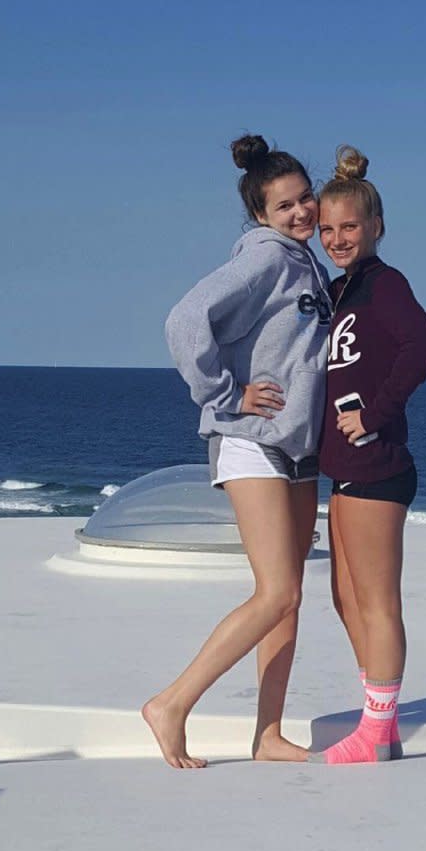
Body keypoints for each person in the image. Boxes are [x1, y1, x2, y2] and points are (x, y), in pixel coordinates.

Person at [142, 135, 331, 768]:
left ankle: (267, 734)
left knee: (289, 597)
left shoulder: (308, 265)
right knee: (276, 592)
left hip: (297, 450)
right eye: (285, 207)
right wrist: (226, 394)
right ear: (259, 215)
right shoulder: (266, 261)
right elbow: (185, 319)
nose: (301, 213)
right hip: (252, 441)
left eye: (306, 199)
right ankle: (171, 703)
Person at [315, 146, 426, 765]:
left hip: (378, 462)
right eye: (328, 228)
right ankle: (378, 718)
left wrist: (376, 414)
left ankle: (377, 731)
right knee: (345, 596)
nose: (337, 238)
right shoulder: (343, 289)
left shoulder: (384, 284)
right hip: (346, 468)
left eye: (349, 227)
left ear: (375, 227)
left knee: (377, 601)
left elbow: (424, 343)